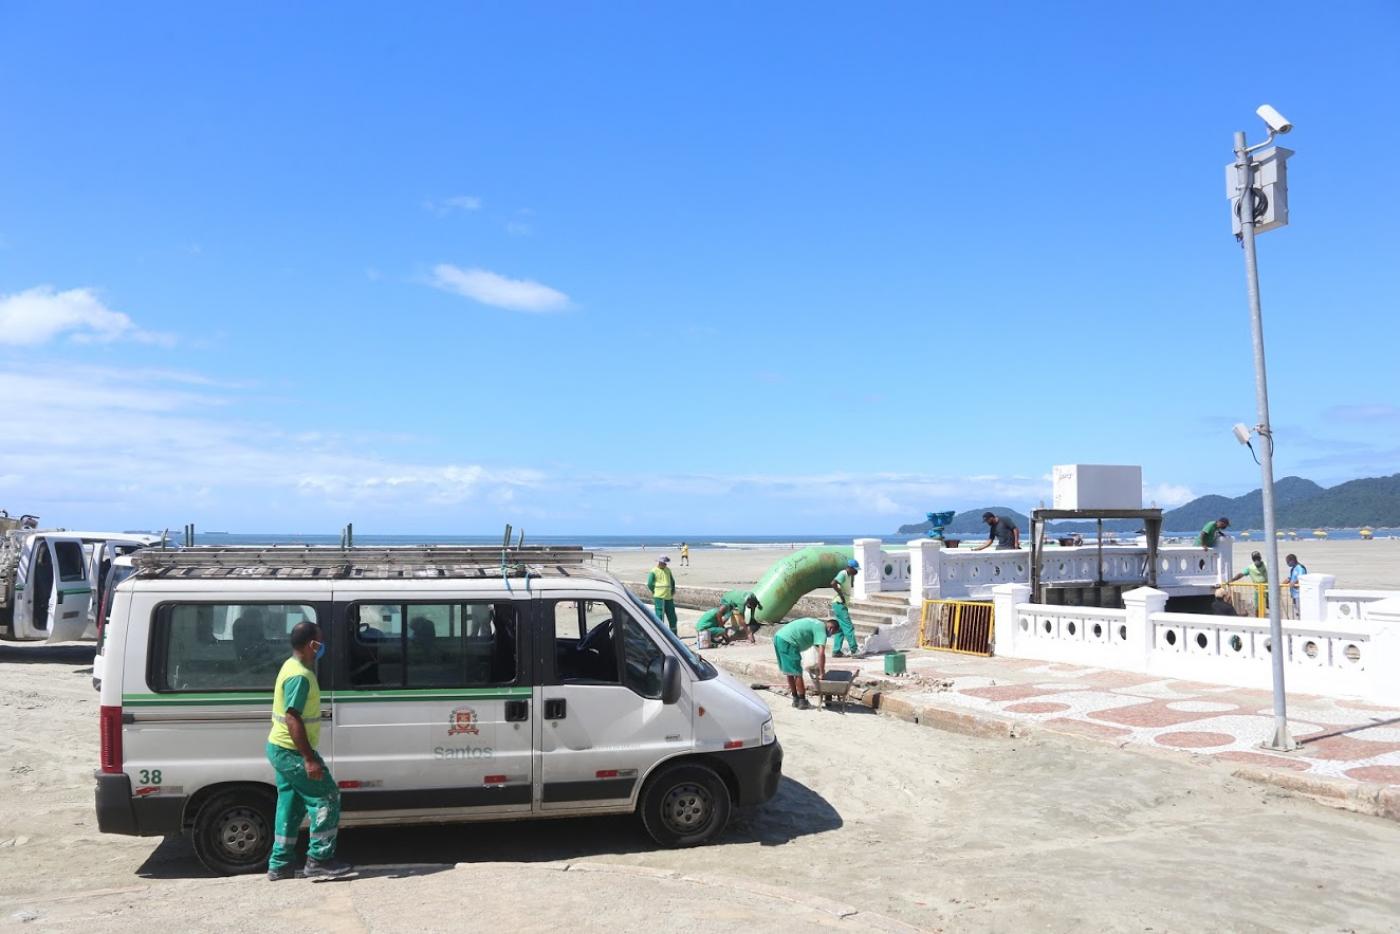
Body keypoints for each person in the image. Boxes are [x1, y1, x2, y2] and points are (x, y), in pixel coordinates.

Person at [266, 621, 352, 881]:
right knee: (327, 796)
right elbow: (293, 718)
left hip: (280, 748)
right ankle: (320, 859)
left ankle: (279, 864)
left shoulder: (291, 666)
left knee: (290, 804)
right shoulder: (300, 676)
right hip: (291, 751)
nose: (322, 647)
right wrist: (309, 759)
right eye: (320, 642)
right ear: (311, 645)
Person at [772, 616, 840, 710]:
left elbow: (816, 648)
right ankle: (802, 701)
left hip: (779, 637)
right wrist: (821, 672)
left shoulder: (817, 624)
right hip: (789, 642)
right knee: (797, 672)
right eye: (833, 633)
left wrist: (817, 665)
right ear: (831, 628)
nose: (831, 635)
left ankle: (795, 699)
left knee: (790, 671)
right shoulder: (822, 631)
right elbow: (821, 653)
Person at [829, 560, 860, 658]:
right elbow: (833, 583)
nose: (856, 572)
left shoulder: (849, 575)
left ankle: (836, 651)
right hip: (839, 604)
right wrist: (841, 595)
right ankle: (854, 651)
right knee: (849, 627)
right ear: (850, 568)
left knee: (841, 629)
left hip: (841, 604)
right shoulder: (843, 574)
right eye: (855, 570)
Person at [647, 556, 679, 634]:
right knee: (660, 616)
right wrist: (654, 591)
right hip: (659, 597)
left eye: (666, 563)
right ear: (659, 563)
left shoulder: (668, 570)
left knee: (673, 617)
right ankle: (660, 634)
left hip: (668, 597)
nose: (665, 565)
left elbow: (672, 581)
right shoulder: (653, 571)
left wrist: (673, 590)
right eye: (664, 563)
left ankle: (674, 634)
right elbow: (650, 584)